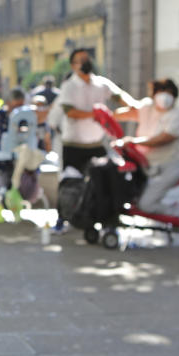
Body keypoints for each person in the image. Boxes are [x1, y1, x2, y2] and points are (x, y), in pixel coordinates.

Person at [53, 49, 137, 231]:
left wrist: (135, 107)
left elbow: (121, 97)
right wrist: (97, 114)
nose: (85, 62)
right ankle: (63, 217)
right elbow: (70, 112)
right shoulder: (70, 86)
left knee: (104, 178)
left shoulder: (101, 84)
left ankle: (104, 217)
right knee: (69, 180)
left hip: (96, 144)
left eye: (86, 58)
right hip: (73, 144)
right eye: (80, 60)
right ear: (73, 65)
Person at [112, 79, 179, 217]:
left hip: (167, 169)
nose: (164, 96)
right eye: (160, 92)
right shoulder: (147, 107)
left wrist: (133, 142)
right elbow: (126, 112)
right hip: (145, 168)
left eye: (168, 93)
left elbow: (162, 139)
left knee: (147, 204)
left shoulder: (177, 116)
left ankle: (178, 212)